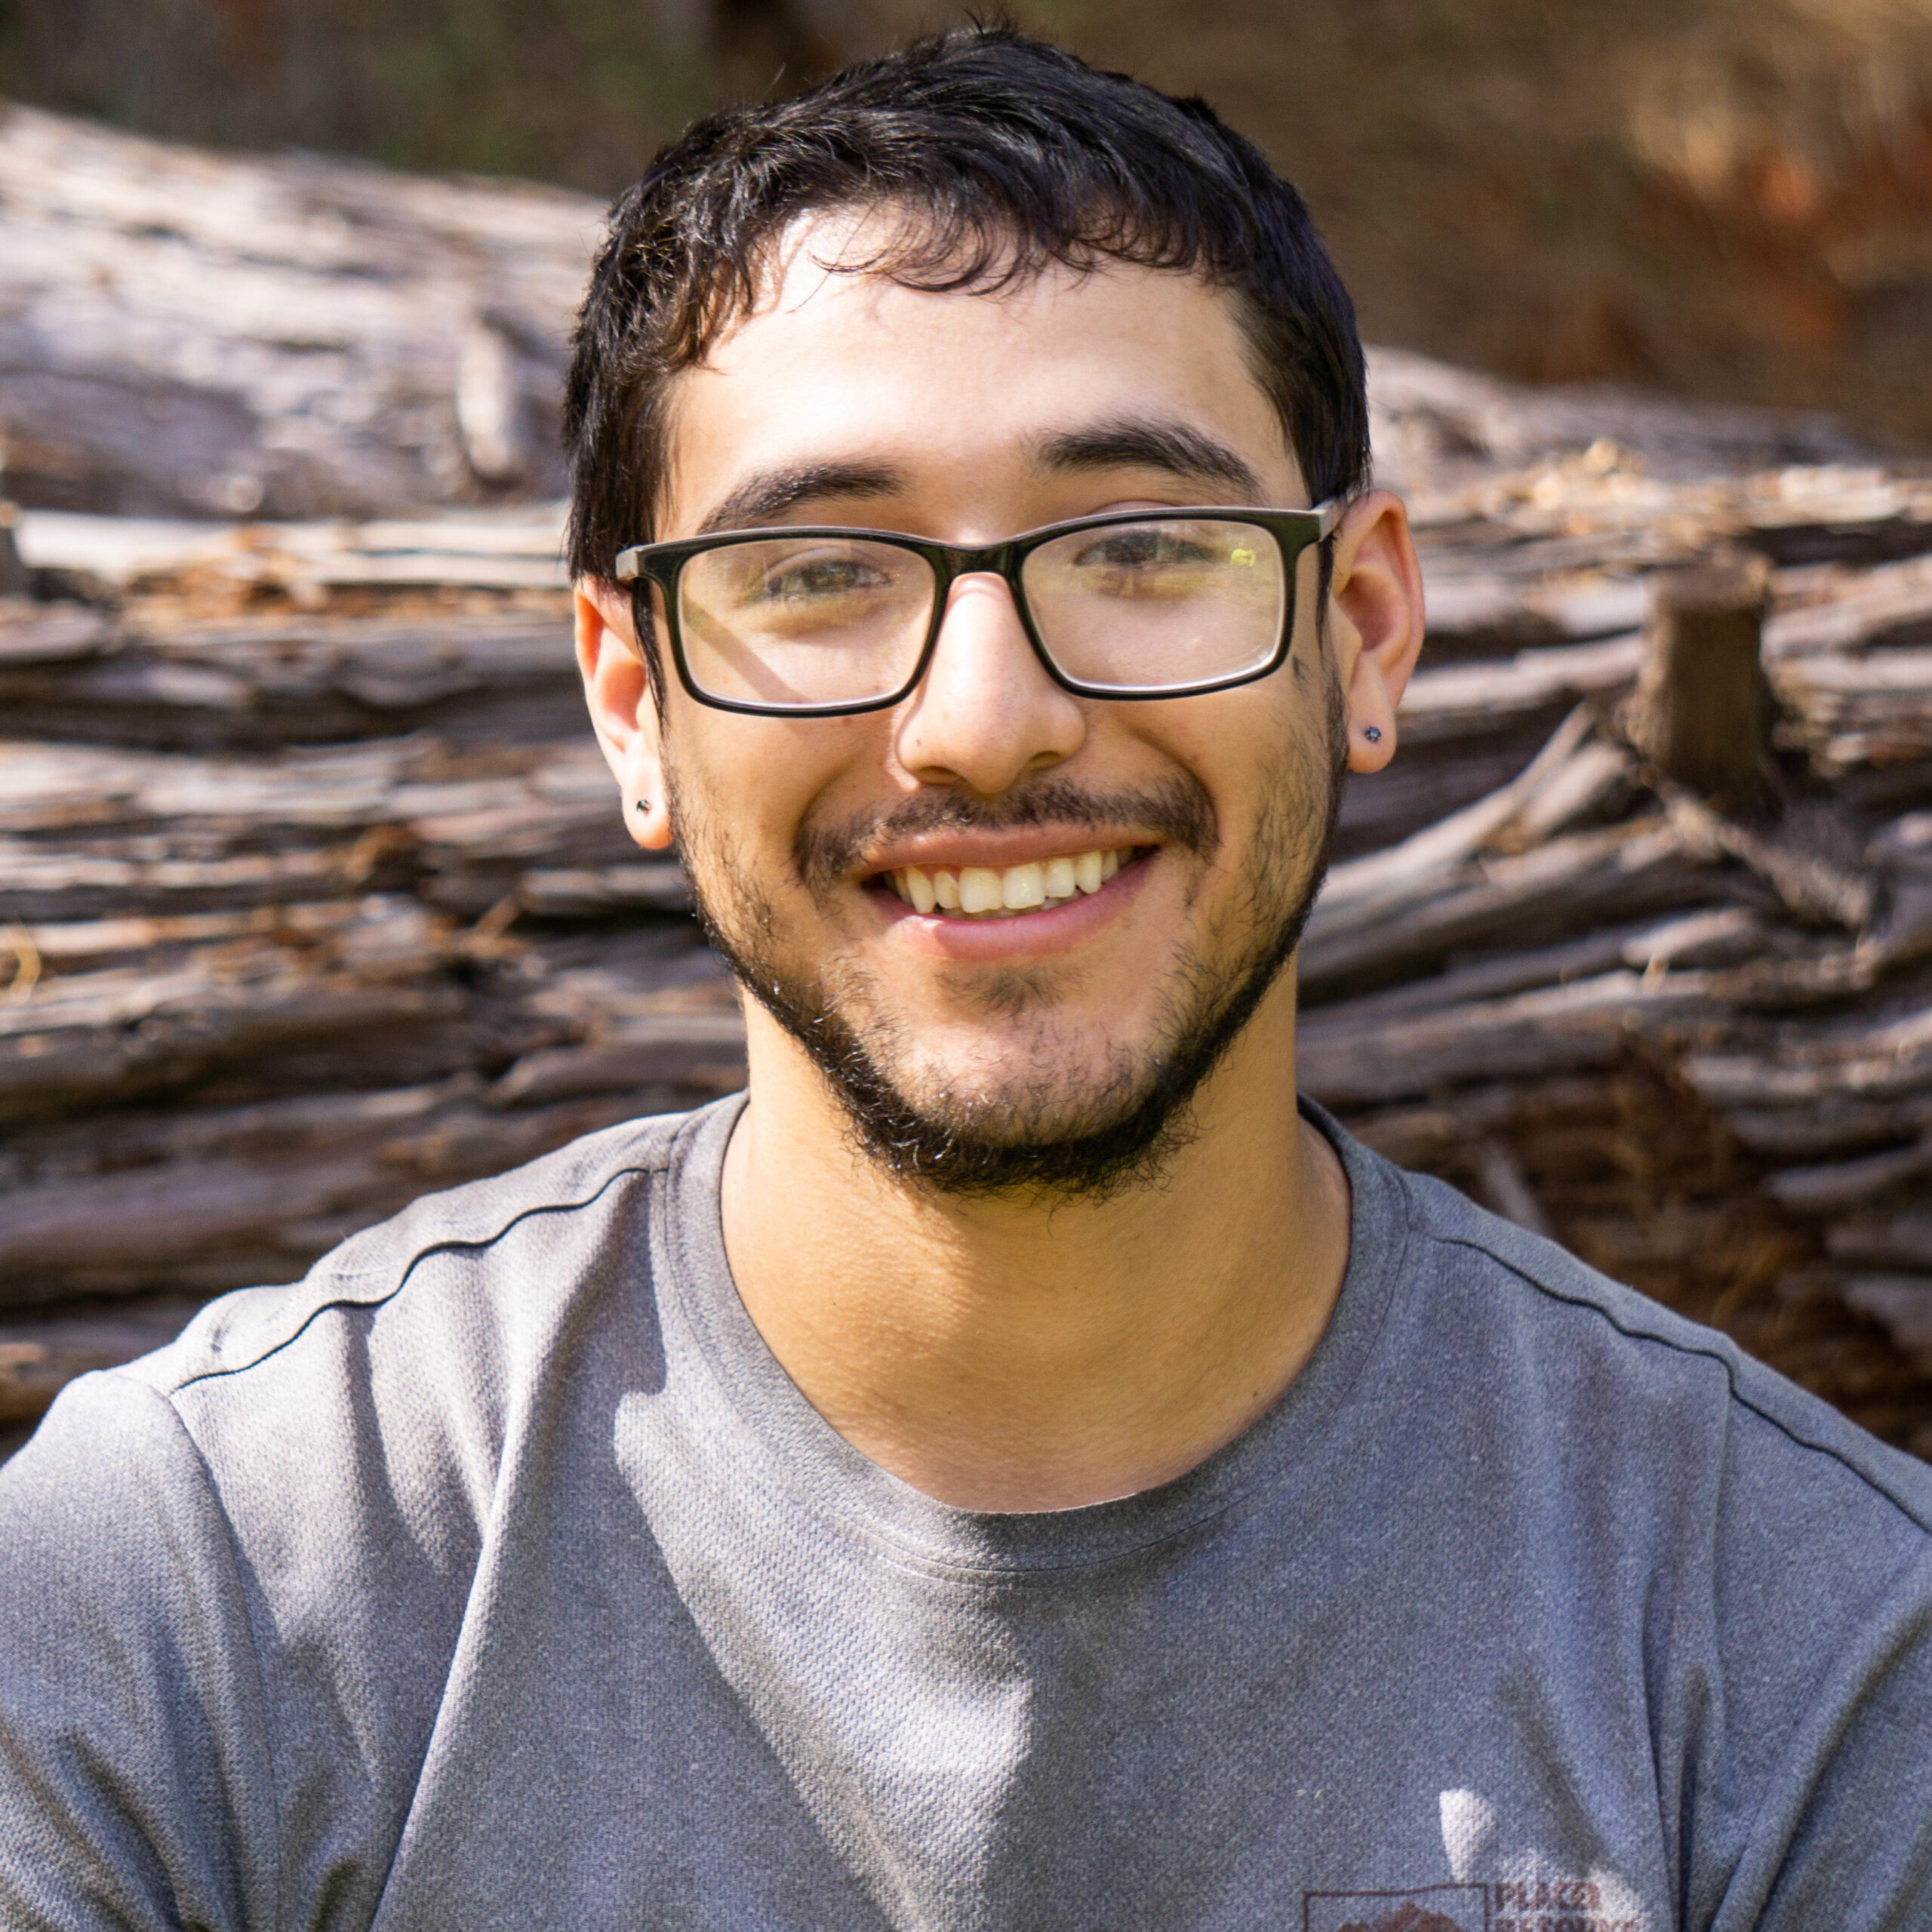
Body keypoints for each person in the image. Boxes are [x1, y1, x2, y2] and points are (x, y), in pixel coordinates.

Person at [3, 26, 1930, 1932]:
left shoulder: (1803, 1659)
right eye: (820, 571)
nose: (983, 724)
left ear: (1357, 628)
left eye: (1139, 543)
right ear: (630, 701)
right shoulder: (195, 1595)